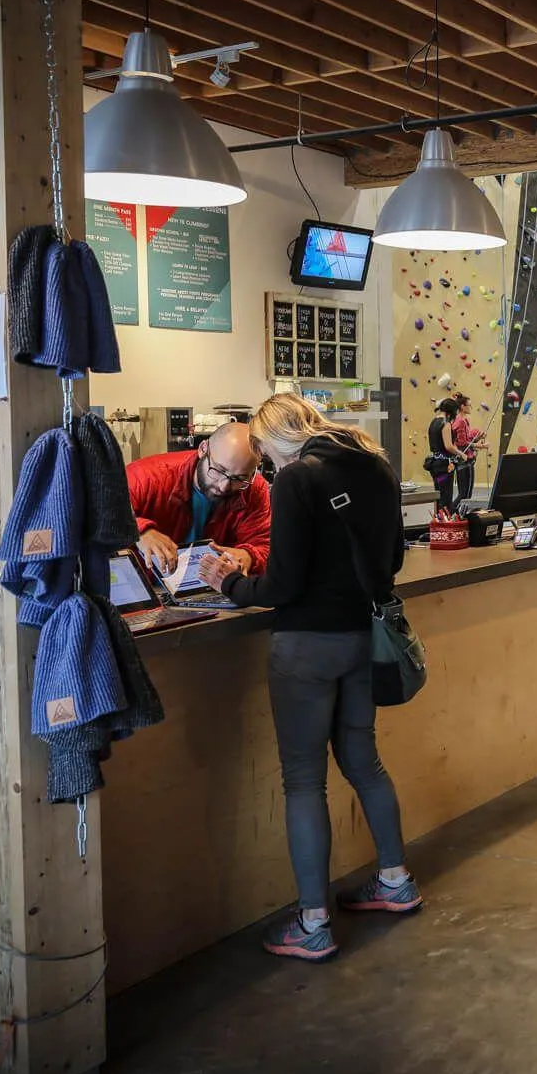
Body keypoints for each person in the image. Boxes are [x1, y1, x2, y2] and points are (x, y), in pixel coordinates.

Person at [197, 394, 415, 963]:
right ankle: (395, 881)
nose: (265, 465)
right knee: (364, 761)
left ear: (276, 437)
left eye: (264, 453)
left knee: (303, 780)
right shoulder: (376, 463)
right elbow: (393, 557)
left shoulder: (297, 480)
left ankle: (313, 923)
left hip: (306, 647)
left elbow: (283, 586)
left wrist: (229, 584)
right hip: (361, 639)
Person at [126, 422, 271, 577]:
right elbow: (101, 511)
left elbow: (265, 546)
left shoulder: (253, 488)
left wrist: (248, 556)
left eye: (238, 478)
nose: (223, 486)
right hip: (142, 585)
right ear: (203, 449)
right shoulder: (146, 477)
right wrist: (138, 530)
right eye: (218, 470)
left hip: (210, 588)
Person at [426, 395, 469, 511]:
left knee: (439, 493)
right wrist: (461, 454)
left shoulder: (433, 422)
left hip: (434, 464)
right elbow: (448, 446)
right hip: (444, 466)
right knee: (446, 496)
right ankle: (446, 522)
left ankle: (439, 518)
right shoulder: (445, 423)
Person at [447, 394, 483, 505]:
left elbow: (466, 439)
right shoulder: (461, 421)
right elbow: (462, 443)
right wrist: (479, 446)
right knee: (465, 495)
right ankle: (452, 514)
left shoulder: (462, 420)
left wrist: (477, 438)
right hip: (464, 461)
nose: (470, 408)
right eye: (469, 405)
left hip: (465, 460)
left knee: (465, 494)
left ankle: (456, 516)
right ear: (462, 406)